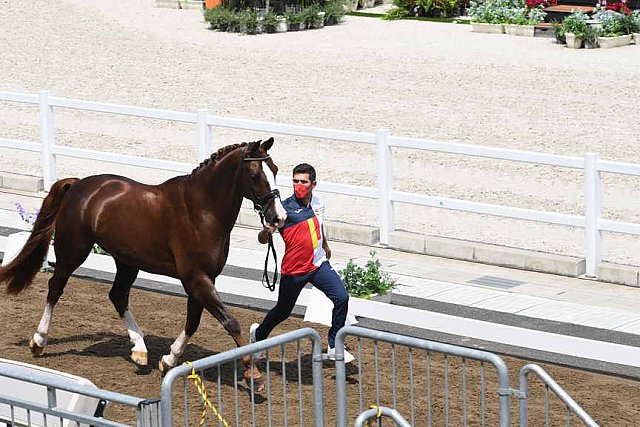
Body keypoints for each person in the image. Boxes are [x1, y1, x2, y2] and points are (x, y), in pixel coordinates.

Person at [249, 163, 355, 363]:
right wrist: (266, 232)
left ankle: (334, 345)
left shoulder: (318, 203)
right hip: (294, 270)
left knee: (341, 298)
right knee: (283, 311)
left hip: (318, 264)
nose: (299, 185)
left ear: (313, 184)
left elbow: (319, 225)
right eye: (295, 181)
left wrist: (326, 246)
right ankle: (258, 335)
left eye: (303, 182)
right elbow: (263, 239)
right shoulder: (283, 208)